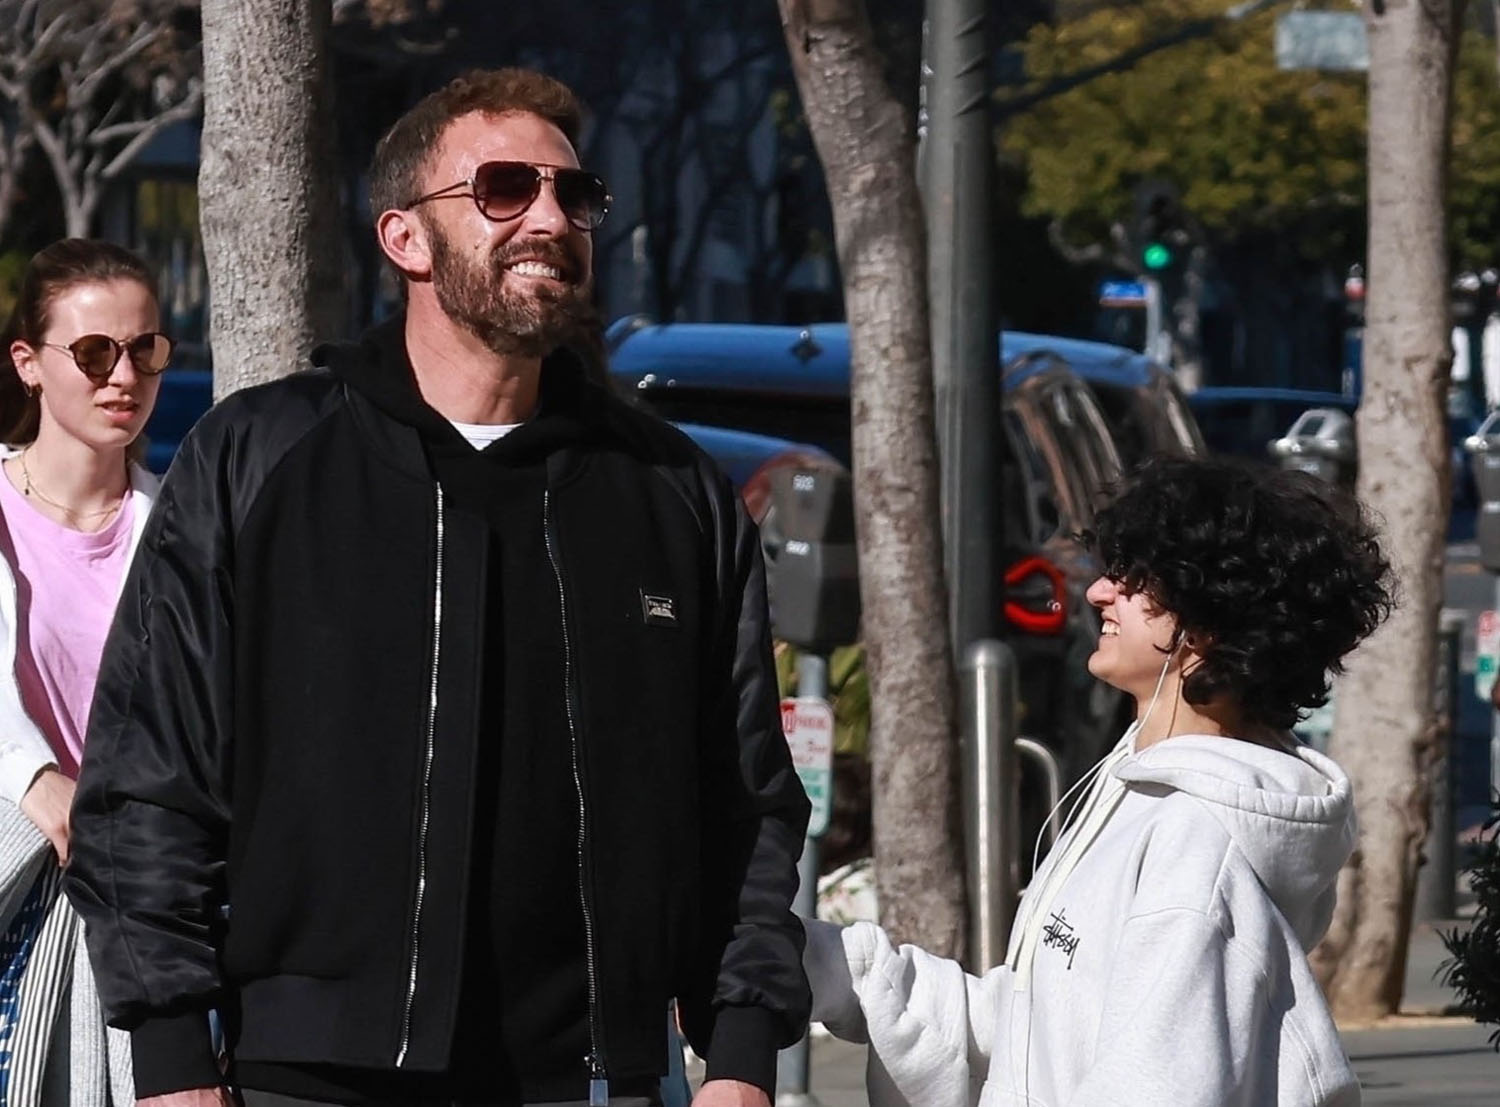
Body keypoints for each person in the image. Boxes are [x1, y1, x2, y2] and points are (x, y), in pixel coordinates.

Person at [63, 69, 811, 1107]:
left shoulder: (670, 492)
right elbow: (148, 776)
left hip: (590, 1080)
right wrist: (173, 1056)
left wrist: (741, 1054)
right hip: (310, 1077)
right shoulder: (261, 459)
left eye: (574, 193)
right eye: (504, 188)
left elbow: (746, 801)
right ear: (404, 237)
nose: (550, 218)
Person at [803, 456, 1393, 1107]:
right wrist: (836, 969)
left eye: (1136, 579)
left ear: (1211, 618)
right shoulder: (1145, 791)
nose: (1098, 592)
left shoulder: (1195, 849)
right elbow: (1036, 1036)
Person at [0, 237, 169, 1099]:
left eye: (145, 349)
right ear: (28, 363)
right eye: (95, 353)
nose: (124, 377)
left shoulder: (181, 531)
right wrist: (31, 776)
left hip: (135, 912)